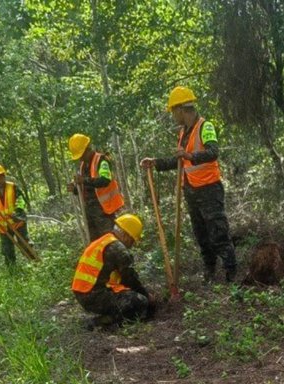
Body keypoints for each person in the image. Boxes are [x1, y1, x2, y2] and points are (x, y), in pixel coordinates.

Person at [140, 86, 238, 284]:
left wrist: (191, 156)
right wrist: (156, 162)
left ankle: (231, 274)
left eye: (173, 111)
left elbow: (213, 152)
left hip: (209, 189)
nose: (173, 116)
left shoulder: (205, 127)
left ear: (181, 109)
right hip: (191, 191)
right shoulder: (183, 133)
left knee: (218, 232)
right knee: (201, 234)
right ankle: (210, 271)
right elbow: (180, 161)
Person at [71, 214, 155, 329]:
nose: (132, 244)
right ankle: (103, 322)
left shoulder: (105, 240)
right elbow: (130, 279)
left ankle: (107, 317)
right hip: (93, 296)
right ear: (126, 235)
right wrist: (146, 296)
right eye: (132, 240)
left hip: (84, 293)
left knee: (127, 295)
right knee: (139, 301)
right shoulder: (118, 249)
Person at [68, 133, 124, 238]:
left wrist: (84, 180)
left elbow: (105, 180)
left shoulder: (102, 160)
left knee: (109, 241)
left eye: (82, 155)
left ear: (87, 149)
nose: (80, 159)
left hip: (104, 212)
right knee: (95, 244)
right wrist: (75, 189)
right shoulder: (83, 165)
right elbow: (87, 188)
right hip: (90, 213)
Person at [0, 163, 30, 267]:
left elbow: (21, 200)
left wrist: (17, 211)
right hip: (3, 226)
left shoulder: (13, 187)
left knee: (25, 245)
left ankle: (34, 264)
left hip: (17, 222)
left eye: (0, 177)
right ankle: (12, 271)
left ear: (4, 176)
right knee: (7, 250)